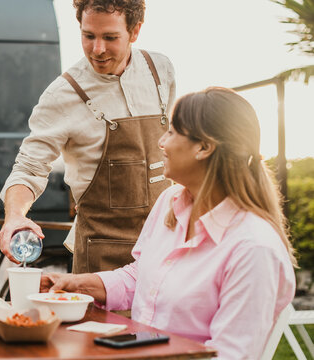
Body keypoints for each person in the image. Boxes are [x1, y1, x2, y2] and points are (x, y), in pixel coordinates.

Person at [40, 87, 297, 359]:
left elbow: (230, 355)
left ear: (204, 147)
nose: (161, 142)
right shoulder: (169, 201)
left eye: (172, 132)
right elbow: (143, 277)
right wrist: (77, 284)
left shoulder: (254, 249)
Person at [0, 0, 176, 273]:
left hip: (166, 245)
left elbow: (175, 145)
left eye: (110, 37)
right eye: (88, 36)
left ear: (135, 31)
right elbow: (29, 168)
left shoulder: (160, 70)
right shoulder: (63, 94)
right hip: (103, 257)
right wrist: (14, 216)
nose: (98, 49)